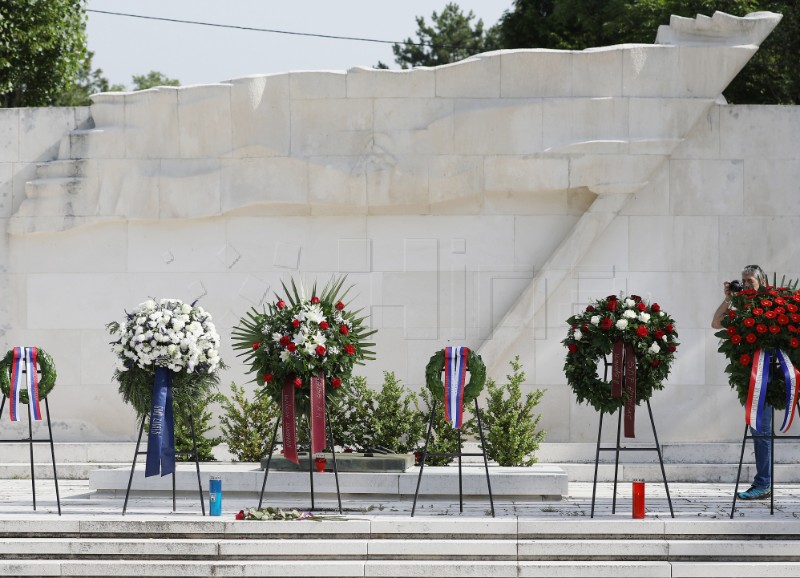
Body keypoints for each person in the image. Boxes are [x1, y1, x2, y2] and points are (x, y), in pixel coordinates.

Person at [712, 264, 772, 500]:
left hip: (774, 373)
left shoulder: (774, 305)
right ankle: (763, 482)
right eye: (743, 281)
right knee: (759, 429)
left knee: (762, 430)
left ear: (762, 281)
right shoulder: (741, 309)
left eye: (750, 282)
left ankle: (764, 483)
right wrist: (729, 299)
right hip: (754, 375)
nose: (746, 285)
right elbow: (716, 323)